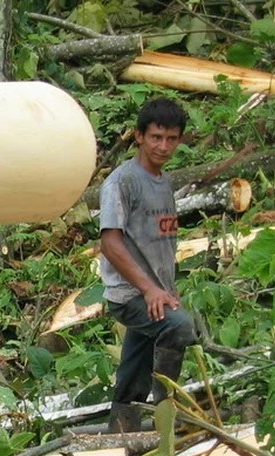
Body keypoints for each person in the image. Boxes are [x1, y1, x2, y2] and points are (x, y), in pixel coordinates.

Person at [99, 98, 199, 432]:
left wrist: (167, 289)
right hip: (131, 293)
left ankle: (122, 430)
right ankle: (165, 412)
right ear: (139, 136)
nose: (163, 146)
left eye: (171, 139)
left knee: (135, 363)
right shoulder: (122, 182)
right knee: (179, 327)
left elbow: (160, 242)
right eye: (156, 137)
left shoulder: (164, 182)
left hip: (155, 291)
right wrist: (150, 289)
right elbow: (111, 243)